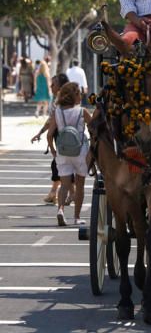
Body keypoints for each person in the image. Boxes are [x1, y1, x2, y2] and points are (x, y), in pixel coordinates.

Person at [47, 82, 92, 226]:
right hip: (80, 152)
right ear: (74, 95)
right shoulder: (82, 111)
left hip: (63, 151)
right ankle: (77, 217)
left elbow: (49, 134)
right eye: (79, 93)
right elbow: (95, 130)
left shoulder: (57, 111)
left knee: (65, 185)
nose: (81, 96)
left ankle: (60, 210)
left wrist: (53, 151)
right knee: (80, 185)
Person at [31, 73, 73, 205]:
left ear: (60, 87)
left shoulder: (61, 101)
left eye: (53, 84)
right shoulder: (59, 99)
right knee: (61, 165)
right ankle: (55, 193)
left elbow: (51, 121)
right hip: (61, 137)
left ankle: (66, 194)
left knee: (60, 165)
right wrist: (40, 133)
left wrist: (42, 133)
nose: (51, 86)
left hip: (62, 137)